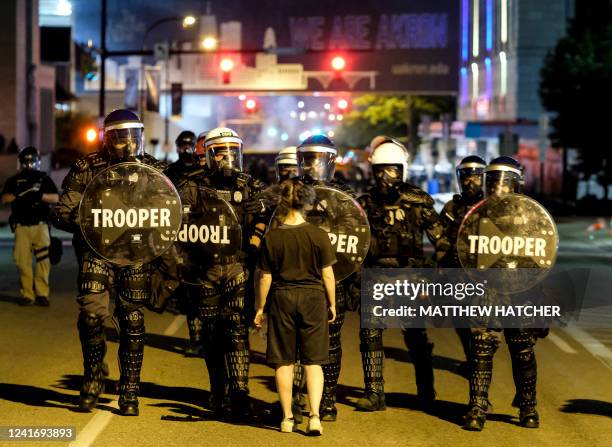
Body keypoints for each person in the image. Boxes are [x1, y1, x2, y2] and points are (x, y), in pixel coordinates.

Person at [52, 109, 166, 416]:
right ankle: (93, 378)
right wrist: (91, 220)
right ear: (108, 138)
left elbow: (171, 211)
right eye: (120, 138)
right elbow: (63, 211)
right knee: (91, 316)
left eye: (133, 137)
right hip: (97, 252)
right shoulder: (88, 167)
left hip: (135, 255)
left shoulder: (153, 169)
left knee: (132, 322)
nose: (127, 145)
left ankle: (129, 391)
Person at [178, 127, 268, 420]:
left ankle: (240, 392)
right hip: (205, 269)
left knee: (236, 329)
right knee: (211, 334)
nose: (228, 157)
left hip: (237, 265)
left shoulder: (250, 185)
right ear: (210, 154)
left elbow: (264, 218)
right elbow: (177, 221)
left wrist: (254, 245)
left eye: (233, 150)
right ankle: (217, 390)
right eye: (222, 151)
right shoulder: (192, 185)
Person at [355, 137, 450, 412]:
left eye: (392, 170)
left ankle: (426, 391)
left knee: (416, 337)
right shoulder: (365, 203)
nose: (386, 177)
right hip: (376, 277)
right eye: (380, 170)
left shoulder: (417, 202)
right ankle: (374, 392)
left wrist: (432, 275)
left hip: (410, 278)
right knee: (370, 334)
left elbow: (441, 241)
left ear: (402, 169)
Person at [463, 156, 543, 431]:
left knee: (522, 348)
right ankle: (477, 405)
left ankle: (528, 405)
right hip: (488, 288)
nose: (498, 188)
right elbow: (464, 252)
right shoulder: (476, 215)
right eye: (493, 182)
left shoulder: (532, 217)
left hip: (520, 289)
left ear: (516, 185)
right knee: (482, 348)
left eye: (504, 183)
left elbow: (543, 257)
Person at [254, 178, 336, 435]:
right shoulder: (318, 235)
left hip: (282, 298)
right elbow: (328, 275)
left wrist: (260, 307)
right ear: (307, 203)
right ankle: (314, 417)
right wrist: (332, 303)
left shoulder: (273, 237)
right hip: (313, 299)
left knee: (284, 362)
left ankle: (287, 418)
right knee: (314, 363)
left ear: (282, 201)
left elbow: (264, 276)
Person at [294, 134, 359, 422]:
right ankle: (297, 396)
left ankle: (328, 400)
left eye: (317, 160)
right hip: (297, 278)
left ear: (330, 162)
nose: (312, 167)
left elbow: (357, 237)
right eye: (307, 160)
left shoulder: (345, 198)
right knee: (296, 341)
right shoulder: (290, 193)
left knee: (331, 343)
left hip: (333, 277)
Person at [439, 156, 487, 371]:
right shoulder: (452, 208)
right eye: (467, 177)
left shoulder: (493, 206)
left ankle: (478, 363)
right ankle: (471, 358)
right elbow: (440, 238)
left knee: (481, 324)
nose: (471, 182)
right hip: (457, 273)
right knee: (460, 320)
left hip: (485, 273)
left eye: (476, 177)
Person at [163, 130, 203, 357]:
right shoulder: (172, 171)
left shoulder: (202, 171)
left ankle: (206, 337)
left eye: (190, 147)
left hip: (202, 233)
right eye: (183, 147)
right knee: (186, 286)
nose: (186, 151)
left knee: (203, 287)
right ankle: (195, 337)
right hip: (178, 232)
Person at [1, 146, 59, 306]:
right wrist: (18, 194)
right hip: (21, 227)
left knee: (43, 261)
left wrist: (39, 195)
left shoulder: (43, 179)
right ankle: (28, 294)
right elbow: (5, 198)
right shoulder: (14, 181)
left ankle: (42, 294)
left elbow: (55, 198)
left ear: (37, 162)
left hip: (40, 227)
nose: (29, 164)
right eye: (27, 161)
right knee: (22, 261)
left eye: (31, 161)